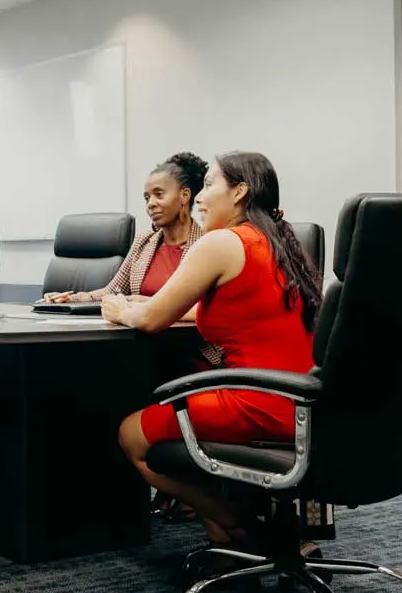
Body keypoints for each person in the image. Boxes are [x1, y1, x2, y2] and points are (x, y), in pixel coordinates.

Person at [103, 151, 322, 552]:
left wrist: (120, 310)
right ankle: (225, 540)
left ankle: (244, 530)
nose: (199, 197)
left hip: (256, 402)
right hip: (303, 402)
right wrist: (143, 308)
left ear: (239, 192)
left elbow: (152, 320)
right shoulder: (278, 240)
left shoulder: (221, 242)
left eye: (208, 186)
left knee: (132, 436)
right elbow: (211, 309)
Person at [43, 152, 211, 306]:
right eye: (147, 198)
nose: (151, 204)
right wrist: (70, 298)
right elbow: (113, 291)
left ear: (184, 196)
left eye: (159, 194)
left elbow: (204, 306)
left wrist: (147, 303)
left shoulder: (208, 243)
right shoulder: (144, 242)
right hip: (137, 334)